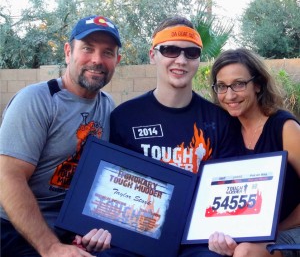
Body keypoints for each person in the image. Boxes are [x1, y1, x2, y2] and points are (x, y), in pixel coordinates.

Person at [107, 16, 238, 257]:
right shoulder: (124, 117)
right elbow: (111, 188)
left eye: (191, 53)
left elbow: (227, 191)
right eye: (170, 50)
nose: (181, 60)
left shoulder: (220, 120)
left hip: (198, 241)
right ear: (152, 54)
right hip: (137, 236)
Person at [0, 15, 122, 256]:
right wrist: (50, 247)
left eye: (107, 52)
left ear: (117, 60)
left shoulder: (109, 107)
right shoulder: (37, 100)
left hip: (72, 228)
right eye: (88, 48)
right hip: (17, 229)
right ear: (68, 52)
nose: (97, 60)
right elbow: (8, 177)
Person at [208, 48, 300, 257]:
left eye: (239, 84)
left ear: (257, 85)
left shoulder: (285, 128)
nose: (230, 95)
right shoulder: (226, 131)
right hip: (250, 234)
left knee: (245, 252)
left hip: (291, 230)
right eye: (222, 86)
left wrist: (277, 229)